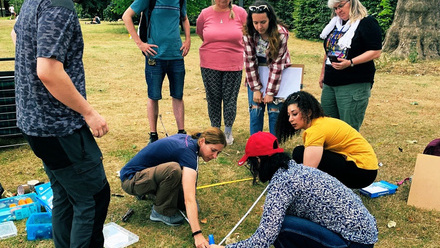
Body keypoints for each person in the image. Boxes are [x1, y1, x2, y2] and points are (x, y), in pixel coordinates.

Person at [12, 0, 110, 247]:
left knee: (66, 194)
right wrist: (89, 113)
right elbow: (48, 70)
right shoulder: (59, 6)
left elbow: (16, 33)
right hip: (58, 126)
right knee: (93, 198)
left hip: (36, 123)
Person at [210, 132, 378, 248]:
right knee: (281, 220)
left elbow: (264, 238)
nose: (252, 169)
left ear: (259, 161)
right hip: (363, 234)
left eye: (251, 164)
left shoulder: (283, 182)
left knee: (282, 227)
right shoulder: (293, 169)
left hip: (354, 243)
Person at [120, 127, 226, 248]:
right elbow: (189, 199)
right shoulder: (188, 152)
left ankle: (153, 193)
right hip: (131, 180)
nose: (215, 156)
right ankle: (161, 212)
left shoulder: (191, 142)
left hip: (145, 175)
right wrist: (197, 234)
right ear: (202, 141)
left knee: (192, 205)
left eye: (218, 152)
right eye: (213, 150)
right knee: (173, 170)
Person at [275, 91, 378, 188]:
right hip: (367, 169)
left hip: (363, 172)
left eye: (295, 114)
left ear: (309, 112)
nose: (290, 119)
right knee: (301, 153)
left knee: (299, 153)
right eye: (289, 115)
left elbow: (308, 171)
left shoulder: (315, 130)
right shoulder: (321, 122)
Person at [122, 0, 191, 144]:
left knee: (178, 95)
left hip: (176, 55)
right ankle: (153, 135)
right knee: (153, 96)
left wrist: (188, 39)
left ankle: (181, 132)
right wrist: (140, 43)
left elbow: (184, 18)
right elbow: (126, 16)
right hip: (155, 57)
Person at [318, 0, 382, 131]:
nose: (338, 11)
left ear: (352, 3)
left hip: (354, 83)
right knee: (328, 127)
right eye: (335, 8)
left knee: (348, 130)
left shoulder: (367, 22)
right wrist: (323, 73)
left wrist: (351, 62)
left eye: (341, 6)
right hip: (330, 82)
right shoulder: (335, 24)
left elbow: (376, 51)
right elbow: (328, 50)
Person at [196, 0, 247, 145]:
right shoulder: (205, 14)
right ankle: (215, 130)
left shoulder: (241, 13)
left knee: (230, 98)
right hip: (209, 63)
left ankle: (228, 131)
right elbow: (201, 33)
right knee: (213, 98)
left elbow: (248, 33)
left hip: (233, 64)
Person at [243, 0, 291, 136]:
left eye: (263, 22)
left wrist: (270, 92)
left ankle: (274, 147)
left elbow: (277, 65)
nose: (259, 26)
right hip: (256, 72)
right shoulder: (248, 33)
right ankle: (255, 147)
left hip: (276, 73)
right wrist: (256, 89)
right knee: (255, 109)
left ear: (270, 19)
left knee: (274, 110)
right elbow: (249, 61)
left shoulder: (281, 34)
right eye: (255, 22)